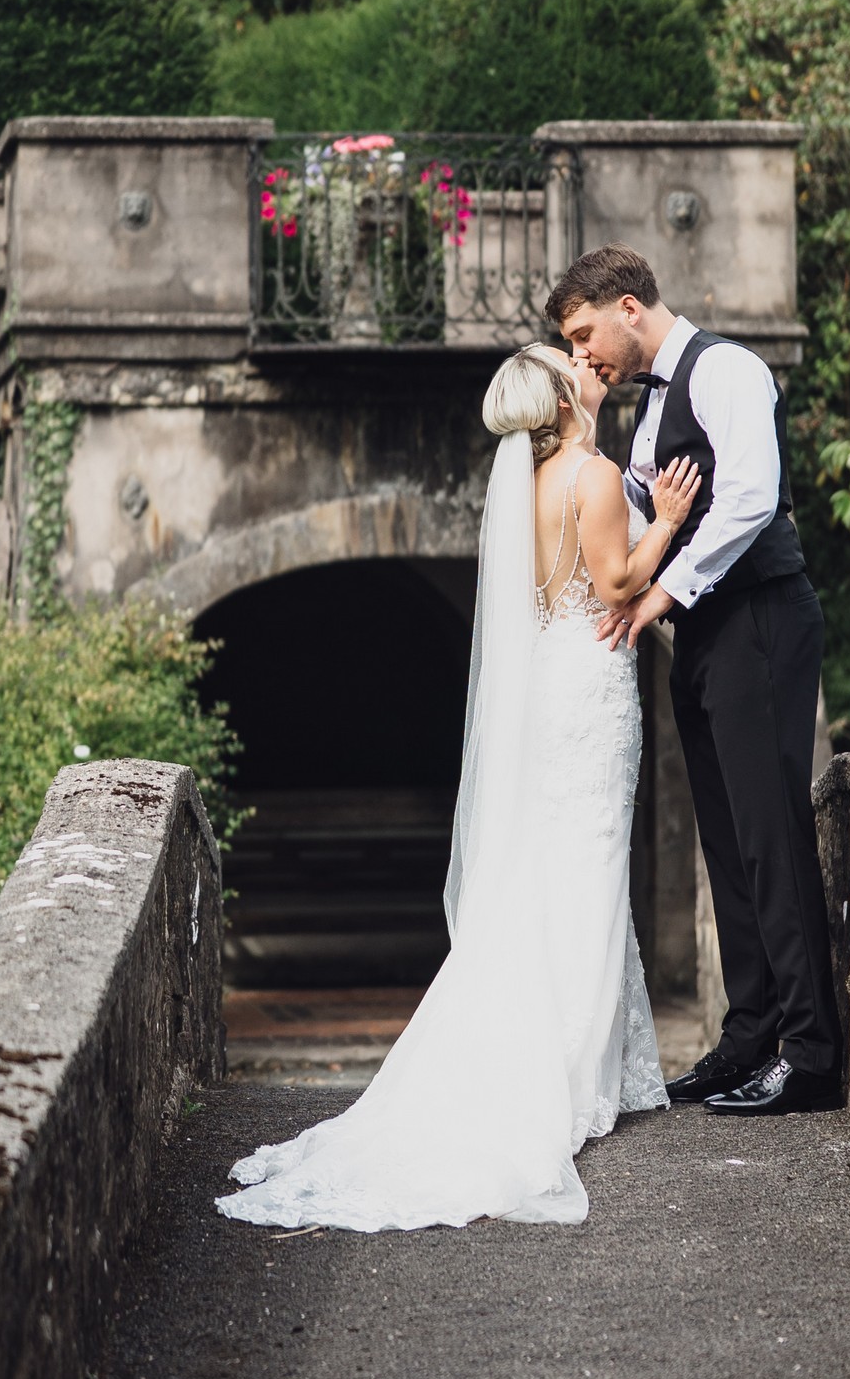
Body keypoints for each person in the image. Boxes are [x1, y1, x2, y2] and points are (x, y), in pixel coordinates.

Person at [216, 343, 700, 1231]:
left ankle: (561, 1059)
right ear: (562, 398)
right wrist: (665, 521)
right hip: (590, 689)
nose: (587, 366)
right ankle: (569, 1078)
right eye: (571, 364)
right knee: (589, 865)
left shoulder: (525, 484)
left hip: (550, 686)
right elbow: (617, 582)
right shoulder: (591, 476)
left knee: (551, 866)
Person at [546, 244, 844, 1117]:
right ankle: (749, 1036)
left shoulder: (726, 370)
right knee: (724, 837)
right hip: (705, 633)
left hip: (760, 618)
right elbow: (648, 514)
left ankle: (810, 1054)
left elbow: (749, 497)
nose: (580, 354)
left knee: (770, 832)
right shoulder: (648, 404)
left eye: (584, 334)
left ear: (628, 306)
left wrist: (662, 591)